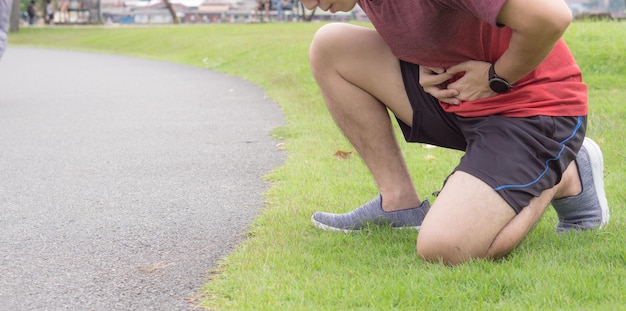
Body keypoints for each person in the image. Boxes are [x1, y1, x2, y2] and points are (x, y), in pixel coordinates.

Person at [304, 0, 610, 265]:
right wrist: (424, 57)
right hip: (460, 95)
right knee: (331, 46)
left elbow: (550, 17)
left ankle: (564, 173)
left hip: (532, 109)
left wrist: (496, 78)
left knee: (444, 248)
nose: (307, 5)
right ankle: (399, 204)